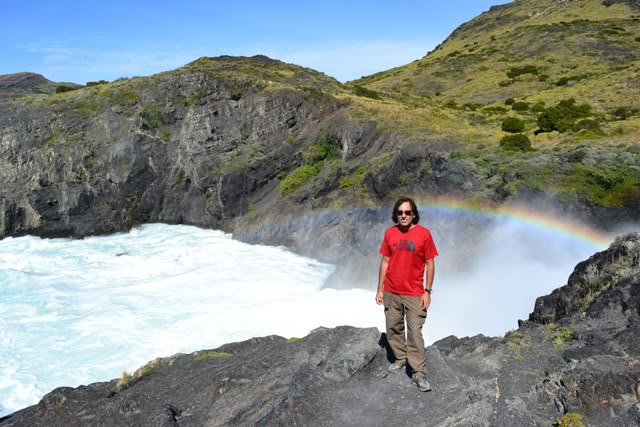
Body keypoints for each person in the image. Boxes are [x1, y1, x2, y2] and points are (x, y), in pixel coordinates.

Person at [375, 197, 438, 392]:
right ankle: (401, 359)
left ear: (413, 214)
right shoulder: (390, 233)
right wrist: (379, 289)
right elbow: (385, 262)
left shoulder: (424, 234)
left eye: (407, 212)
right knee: (393, 328)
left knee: (415, 333)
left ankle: (419, 373)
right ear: (396, 214)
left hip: (414, 293)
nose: (403, 216)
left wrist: (427, 291)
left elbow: (430, 263)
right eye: (400, 212)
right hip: (391, 291)